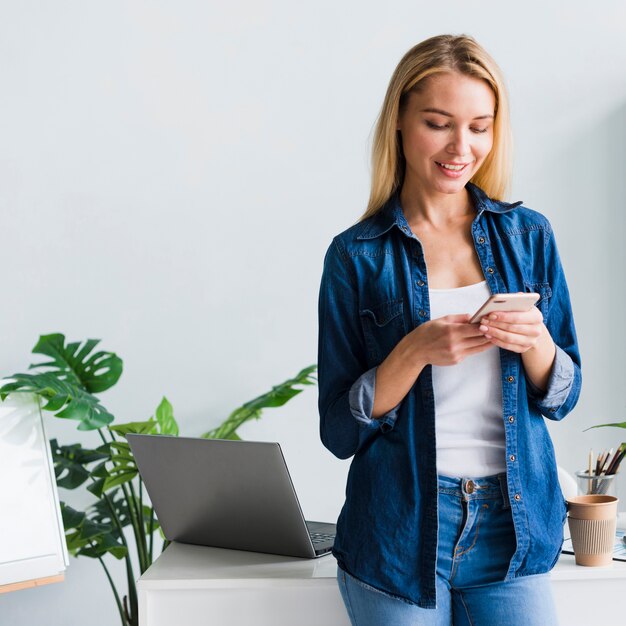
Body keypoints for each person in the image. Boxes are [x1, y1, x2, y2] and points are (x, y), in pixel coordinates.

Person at [317, 34, 581, 626]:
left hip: (513, 529)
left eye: (480, 127)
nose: (462, 147)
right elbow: (337, 431)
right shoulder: (356, 256)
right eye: (439, 123)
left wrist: (536, 341)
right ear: (401, 125)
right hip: (398, 532)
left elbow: (564, 394)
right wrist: (411, 353)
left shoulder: (529, 236)